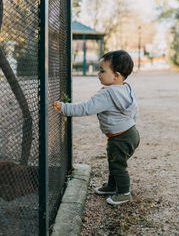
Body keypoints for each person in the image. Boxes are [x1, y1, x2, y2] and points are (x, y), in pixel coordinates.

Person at [53, 50, 140, 205]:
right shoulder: (126, 89)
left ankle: (124, 193)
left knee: (118, 165)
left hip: (120, 137)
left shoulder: (107, 94)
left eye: (102, 70)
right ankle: (112, 186)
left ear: (116, 76)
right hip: (131, 133)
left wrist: (64, 108)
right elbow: (135, 111)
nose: (98, 74)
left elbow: (86, 108)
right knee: (114, 161)